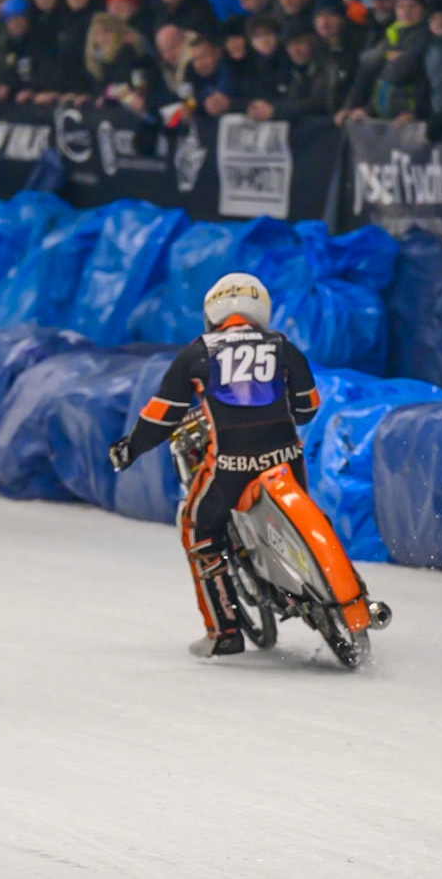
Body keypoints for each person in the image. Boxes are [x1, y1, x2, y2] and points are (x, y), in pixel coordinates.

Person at [109, 274, 321, 659]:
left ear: (211, 314)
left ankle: (223, 631)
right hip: (285, 459)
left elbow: (161, 417)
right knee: (313, 514)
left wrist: (129, 449)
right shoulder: (282, 346)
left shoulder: (197, 353)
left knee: (197, 527)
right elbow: (308, 408)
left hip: (230, 465)